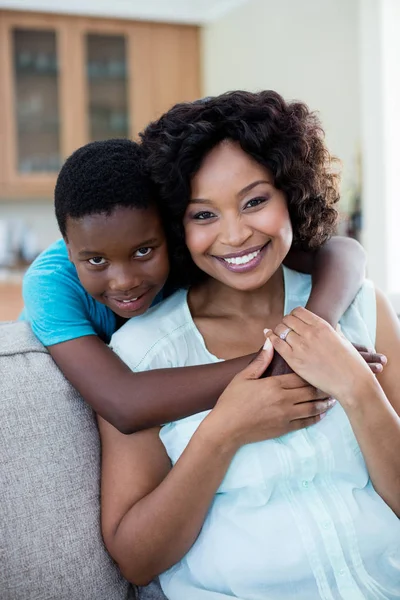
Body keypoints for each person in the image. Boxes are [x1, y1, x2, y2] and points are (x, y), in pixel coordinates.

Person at [98, 91, 400, 599]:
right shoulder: (143, 355)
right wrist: (224, 432)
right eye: (203, 215)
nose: (236, 234)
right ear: (175, 223)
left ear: (291, 193)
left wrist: (355, 385)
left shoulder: (363, 309)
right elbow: (136, 560)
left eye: (254, 201)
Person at [21, 138, 379, 433]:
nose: (124, 280)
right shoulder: (50, 285)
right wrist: (283, 360)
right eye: (96, 261)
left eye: (144, 251)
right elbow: (124, 403)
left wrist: (317, 335)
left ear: (169, 230)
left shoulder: (189, 250)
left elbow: (343, 251)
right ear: (69, 248)